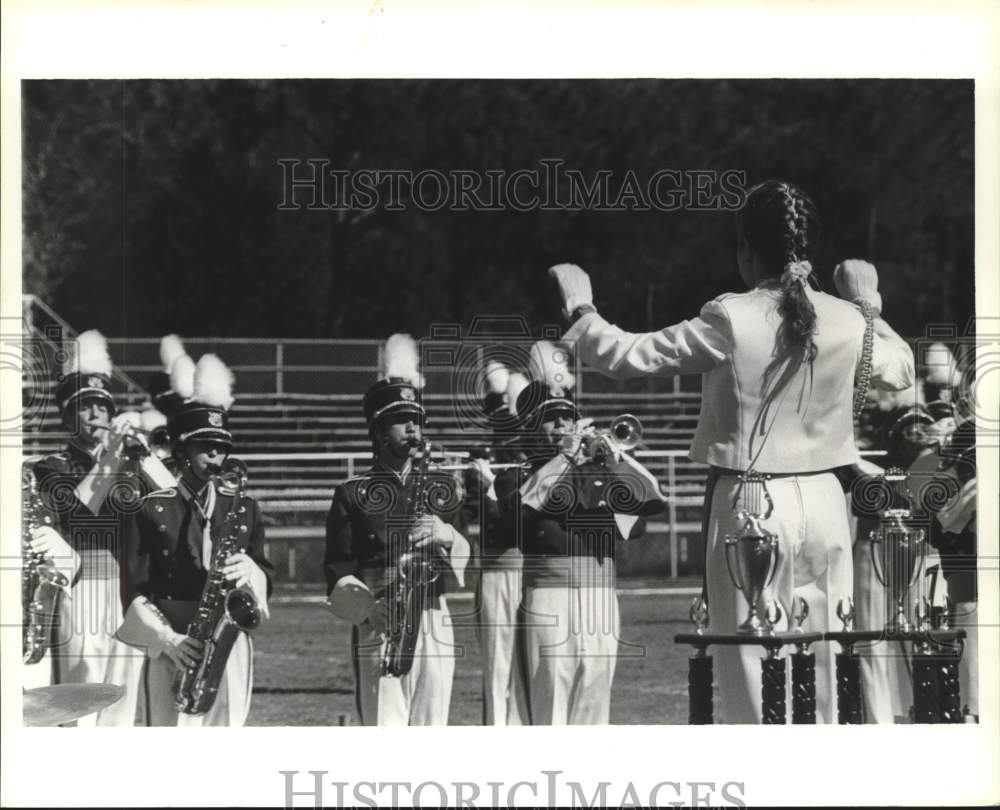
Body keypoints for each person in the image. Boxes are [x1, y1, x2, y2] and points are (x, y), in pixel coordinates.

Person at [549, 179, 916, 723]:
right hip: (826, 502)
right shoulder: (851, 320)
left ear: (747, 249)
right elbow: (902, 368)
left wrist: (581, 309)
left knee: (751, 672)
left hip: (750, 504)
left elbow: (628, 355)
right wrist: (869, 305)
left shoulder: (729, 316)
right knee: (826, 665)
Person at [495, 341, 664, 725]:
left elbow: (645, 513)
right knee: (547, 707)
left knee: (594, 705)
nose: (563, 427)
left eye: (569, 419)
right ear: (532, 430)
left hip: (602, 597)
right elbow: (522, 513)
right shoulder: (517, 477)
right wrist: (564, 458)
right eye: (552, 420)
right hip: (549, 597)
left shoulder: (599, 476)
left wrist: (615, 458)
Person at [118, 353, 273, 726]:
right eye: (206, 446)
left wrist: (250, 570)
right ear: (182, 450)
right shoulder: (149, 509)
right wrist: (167, 639)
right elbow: (134, 591)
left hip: (227, 643)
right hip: (173, 643)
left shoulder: (243, 507)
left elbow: (268, 575)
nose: (216, 455)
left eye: (222, 447)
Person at [324, 334, 471, 726]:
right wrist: (368, 609)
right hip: (380, 618)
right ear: (377, 430)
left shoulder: (443, 487)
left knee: (432, 725)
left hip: (434, 616)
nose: (413, 428)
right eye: (402, 421)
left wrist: (445, 533)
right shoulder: (352, 493)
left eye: (417, 420)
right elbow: (337, 570)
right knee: (383, 727)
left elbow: (468, 554)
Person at [26, 329, 166, 724]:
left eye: (102, 407)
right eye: (85, 408)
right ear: (68, 416)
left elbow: (174, 503)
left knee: (123, 694)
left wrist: (146, 455)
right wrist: (110, 461)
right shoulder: (52, 466)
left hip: (130, 588)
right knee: (81, 695)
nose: (96, 416)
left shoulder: (126, 461)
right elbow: (78, 514)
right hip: (84, 587)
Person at [466, 362, 530, 725]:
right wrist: (482, 485)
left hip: (532, 571)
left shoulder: (533, 465)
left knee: (529, 665)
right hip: (496, 570)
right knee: (497, 666)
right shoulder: (486, 464)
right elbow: (482, 518)